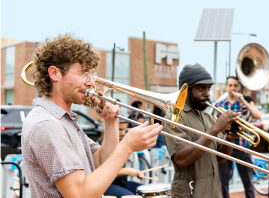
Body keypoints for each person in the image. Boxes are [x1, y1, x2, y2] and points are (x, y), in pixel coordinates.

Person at [21, 35, 163, 197]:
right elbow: (79, 194)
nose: (91, 83)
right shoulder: (47, 124)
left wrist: (110, 122)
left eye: (92, 75)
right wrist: (127, 146)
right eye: (83, 73)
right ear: (55, 73)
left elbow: (102, 162)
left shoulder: (63, 119)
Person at [163, 63, 239, 198]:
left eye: (208, 89)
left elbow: (221, 158)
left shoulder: (207, 117)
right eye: (201, 89)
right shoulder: (174, 117)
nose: (207, 94)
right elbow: (181, 159)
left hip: (213, 190)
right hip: (191, 193)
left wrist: (230, 138)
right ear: (185, 90)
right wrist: (214, 130)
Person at [215, 76, 261, 198]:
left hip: (242, 147)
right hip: (225, 147)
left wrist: (244, 100)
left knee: (248, 182)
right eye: (230, 85)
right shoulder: (220, 104)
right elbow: (216, 126)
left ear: (238, 87)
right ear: (226, 87)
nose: (233, 88)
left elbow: (257, 115)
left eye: (235, 85)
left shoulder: (244, 105)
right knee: (223, 183)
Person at [101, 119, 145, 197]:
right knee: (131, 196)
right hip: (106, 186)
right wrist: (127, 171)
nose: (123, 133)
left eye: (125, 129)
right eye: (120, 129)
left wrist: (137, 173)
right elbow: (101, 172)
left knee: (145, 190)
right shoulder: (102, 146)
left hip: (121, 184)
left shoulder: (119, 144)